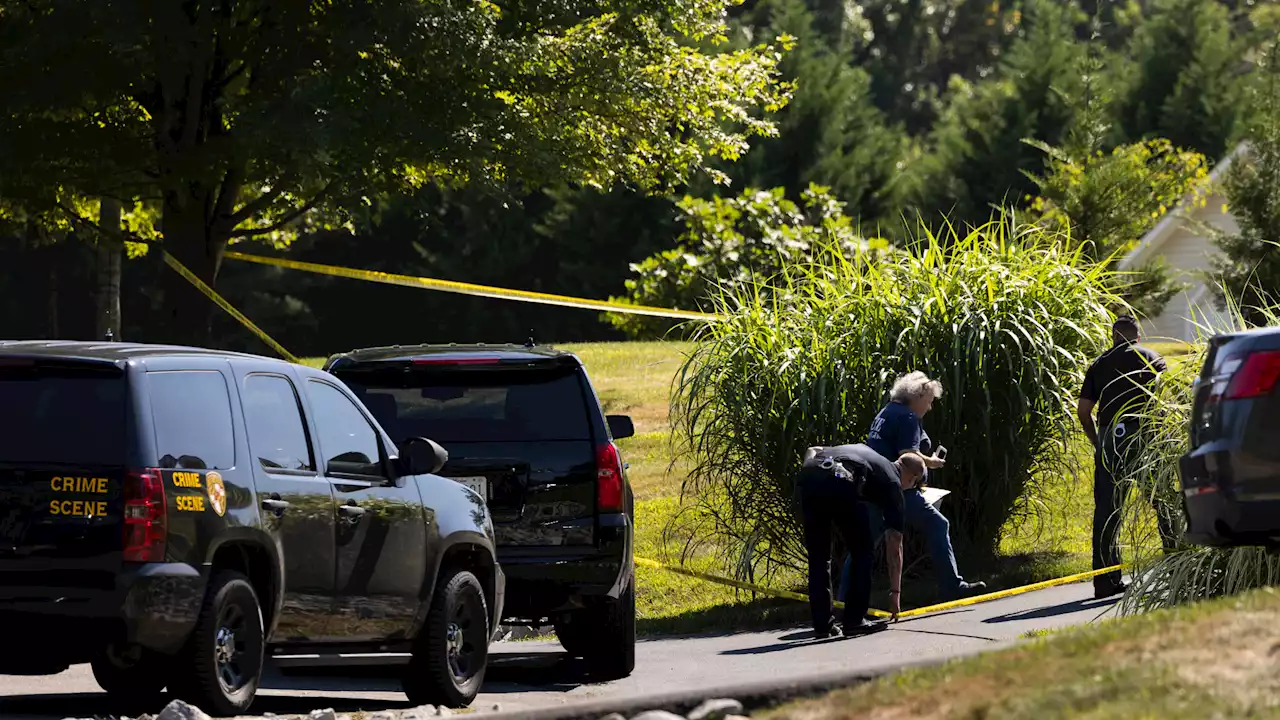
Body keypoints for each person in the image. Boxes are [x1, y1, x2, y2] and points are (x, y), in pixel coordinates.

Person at [862, 371, 987, 600]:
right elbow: (907, 456)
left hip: (874, 486)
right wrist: (932, 462)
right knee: (938, 524)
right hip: (898, 490)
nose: (929, 408)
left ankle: (843, 602)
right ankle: (952, 586)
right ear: (917, 396)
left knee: (864, 543)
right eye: (928, 401)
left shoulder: (887, 411)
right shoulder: (908, 417)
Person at [1077, 315, 1174, 599]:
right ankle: (1175, 567)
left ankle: (1105, 582)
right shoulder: (1152, 358)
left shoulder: (1099, 364)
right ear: (1137, 337)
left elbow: (1084, 412)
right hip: (1145, 436)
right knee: (1164, 502)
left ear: (1113, 337)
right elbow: (1165, 401)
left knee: (1107, 511)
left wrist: (1098, 442)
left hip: (1110, 438)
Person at [795, 442, 925, 638]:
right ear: (911, 477)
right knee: (862, 551)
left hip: (810, 476)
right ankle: (855, 621)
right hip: (841, 480)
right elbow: (895, 544)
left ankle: (823, 625)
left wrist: (813, 471)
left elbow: (812, 449)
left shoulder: (870, 454)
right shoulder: (893, 483)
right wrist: (895, 593)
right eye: (915, 485)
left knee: (819, 557)